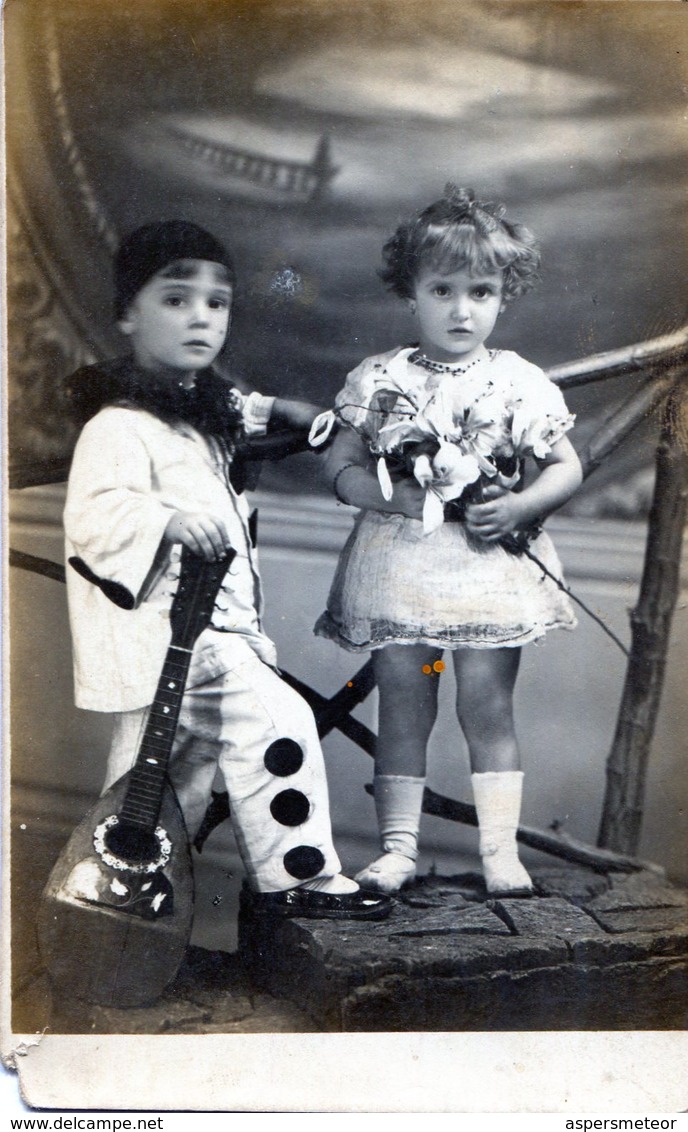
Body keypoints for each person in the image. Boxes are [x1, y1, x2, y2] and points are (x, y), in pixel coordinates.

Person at [63, 219, 392, 922]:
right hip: (174, 634)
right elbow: (95, 515)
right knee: (279, 722)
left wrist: (294, 413)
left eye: (218, 304)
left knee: (164, 790)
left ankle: (130, 912)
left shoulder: (197, 410)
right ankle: (300, 875)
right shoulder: (119, 425)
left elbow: (240, 411)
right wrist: (167, 522)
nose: (201, 318)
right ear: (127, 315)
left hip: (209, 634)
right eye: (177, 300)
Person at [312, 186, 583, 897]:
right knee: (407, 698)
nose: (463, 310)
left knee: (485, 704)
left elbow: (566, 467)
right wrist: (388, 495)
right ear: (411, 294)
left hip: (486, 574)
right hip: (403, 568)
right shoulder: (380, 379)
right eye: (443, 289)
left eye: (482, 291)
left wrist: (519, 503)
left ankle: (501, 854)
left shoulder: (516, 382)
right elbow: (338, 467)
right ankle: (397, 848)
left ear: (504, 295)